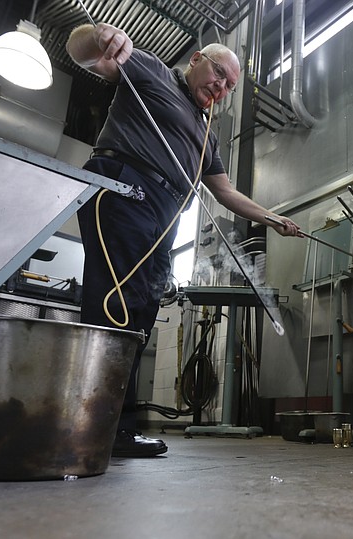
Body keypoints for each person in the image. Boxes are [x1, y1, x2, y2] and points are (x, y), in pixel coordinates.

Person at [66, 23, 301, 457]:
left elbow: (226, 193)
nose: (222, 87)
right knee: (115, 305)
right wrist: (100, 36)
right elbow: (86, 55)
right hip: (124, 188)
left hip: (165, 211)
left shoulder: (207, 134)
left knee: (140, 314)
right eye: (219, 74)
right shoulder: (153, 73)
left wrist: (273, 218)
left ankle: (112, 426)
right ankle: (93, 426)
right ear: (196, 60)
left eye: (229, 85)